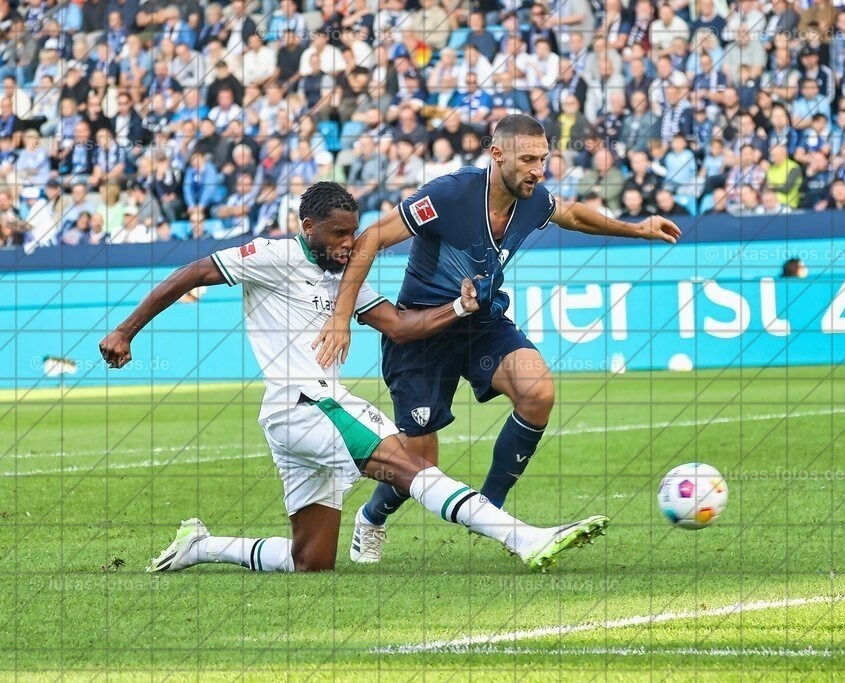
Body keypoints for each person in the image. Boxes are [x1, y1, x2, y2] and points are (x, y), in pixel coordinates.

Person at [99, 182, 609, 573]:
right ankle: (523, 538)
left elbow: (401, 326)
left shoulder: (347, 278)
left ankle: (204, 546)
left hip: (296, 420)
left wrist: (459, 306)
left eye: (354, 233)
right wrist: (125, 330)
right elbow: (193, 272)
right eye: (339, 234)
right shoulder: (272, 257)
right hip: (306, 403)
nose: (350, 243)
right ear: (307, 226)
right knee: (410, 464)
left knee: (311, 560)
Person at [311, 115, 679, 563]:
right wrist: (342, 317)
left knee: (537, 391)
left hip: (482, 324)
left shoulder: (533, 198)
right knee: (420, 465)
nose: (538, 169)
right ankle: (371, 516)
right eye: (528, 159)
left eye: (543, 159)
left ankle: (492, 510)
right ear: (497, 154)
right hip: (424, 331)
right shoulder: (448, 195)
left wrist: (637, 228)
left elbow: (570, 214)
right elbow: (371, 239)